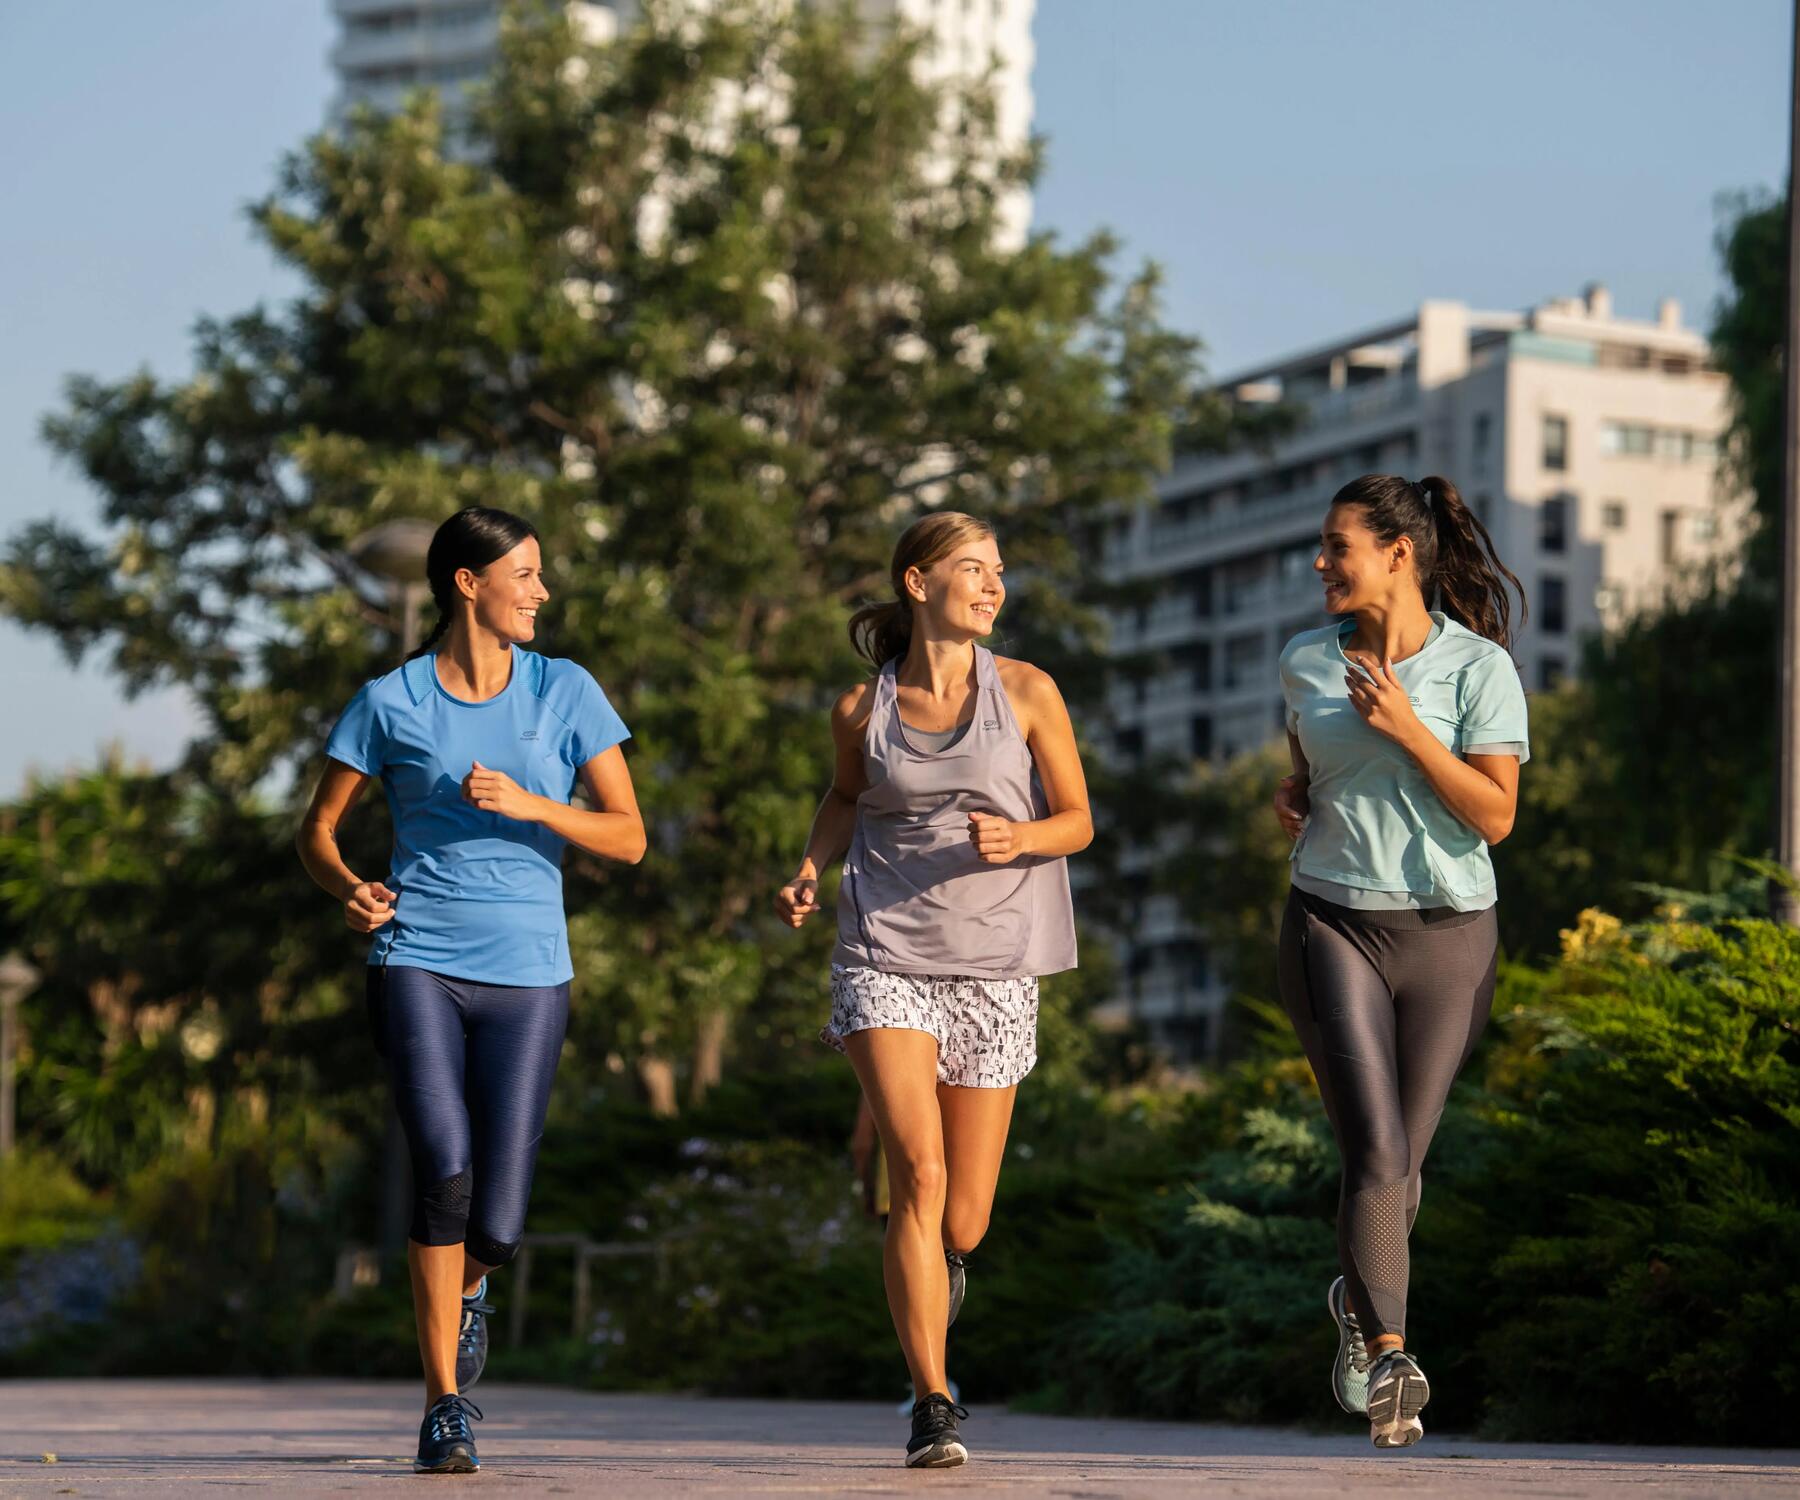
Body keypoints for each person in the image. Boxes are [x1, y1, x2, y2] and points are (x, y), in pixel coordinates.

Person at [298, 506, 645, 1474]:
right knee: (443, 1173)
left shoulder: (565, 690)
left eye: (540, 575)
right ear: (467, 583)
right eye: (525, 574)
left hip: (532, 972)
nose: (541, 590)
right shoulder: (392, 700)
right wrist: (352, 888)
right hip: (417, 959)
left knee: (497, 1220)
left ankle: (470, 1290)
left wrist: (536, 804)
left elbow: (629, 834)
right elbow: (317, 834)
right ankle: (443, 1405)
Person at [776, 511, 1091, 1470]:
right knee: (917, 1175)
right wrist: (810, 865)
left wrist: (1022, 837)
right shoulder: (858, 712)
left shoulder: (1029, 692)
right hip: (884, 953)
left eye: (999, 571)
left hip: (996, 965)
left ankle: (937, 1271)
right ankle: (933, 1400)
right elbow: (843, 798)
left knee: (964, 1215)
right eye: (973, 570)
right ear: (919, 584)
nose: (994, 587)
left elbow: (1076, 818)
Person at [1273, 474, 1528, 1449]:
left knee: (1403, 1169)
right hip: (1331, 919)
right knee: (1373, 1149)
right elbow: (1311, 773)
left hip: (1452, 935)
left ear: (1397, 554)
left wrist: (1410, 730)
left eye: (1337, 545)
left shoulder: (1478, 670)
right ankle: (1390, 1355)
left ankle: (1354, 1290)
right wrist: (1293, 798)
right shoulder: (1303, 661)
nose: (1320, 562)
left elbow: (1496, 817)